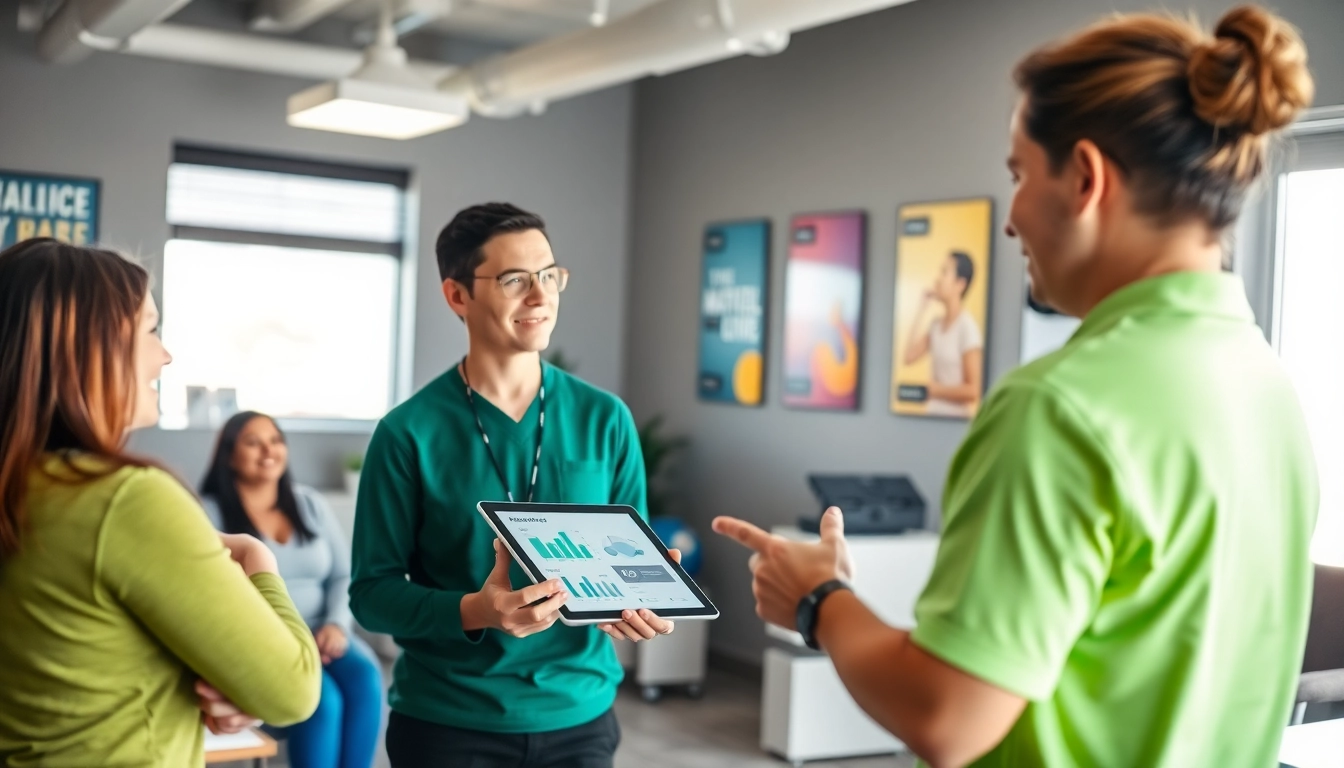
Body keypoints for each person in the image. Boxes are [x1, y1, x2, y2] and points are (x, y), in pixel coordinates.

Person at [715, 6, 1317, 767]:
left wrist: (817, 599)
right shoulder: (1265, 385)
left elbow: (948, 718)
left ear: (1088, 180)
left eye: (1019, 175)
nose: (1010, 220)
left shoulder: (1060, 406)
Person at [349, 203, 679, 768]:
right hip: (448, 721)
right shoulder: (407, 433)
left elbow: (629, 568)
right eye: (514, 280)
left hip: (580, 717)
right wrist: (478, 611)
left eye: (550, 276)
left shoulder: (606, 418)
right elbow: (372, 595)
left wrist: (638, 601)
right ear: (457, 296)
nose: (541, 296)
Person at [0, 238, 321, 766]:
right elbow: (293, 690)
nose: (164, 354)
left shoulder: (27, 486)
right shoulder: (124, 500)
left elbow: (82, 657)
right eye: (149, 330)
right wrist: (257, 558)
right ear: (90, 346)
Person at [200, 411, 383, 768]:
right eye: (253, 442)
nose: (268, 450)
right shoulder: (207, 511)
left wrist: (336, 625)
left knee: (366, 678)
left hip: (323, 632)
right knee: (322, 700)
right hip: (265, 639)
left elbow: (344, 575)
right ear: (228, 454)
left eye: (275, 440)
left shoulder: (309, 503)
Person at [902, 251, 985, 417]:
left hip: (954, 422)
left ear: (960, 284)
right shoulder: (936, 325)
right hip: (932, 416)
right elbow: (909, 357)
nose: (938, 279)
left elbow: (973, 391)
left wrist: (934, 390)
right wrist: (921, 309)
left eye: (944, 272)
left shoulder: (967, 328)